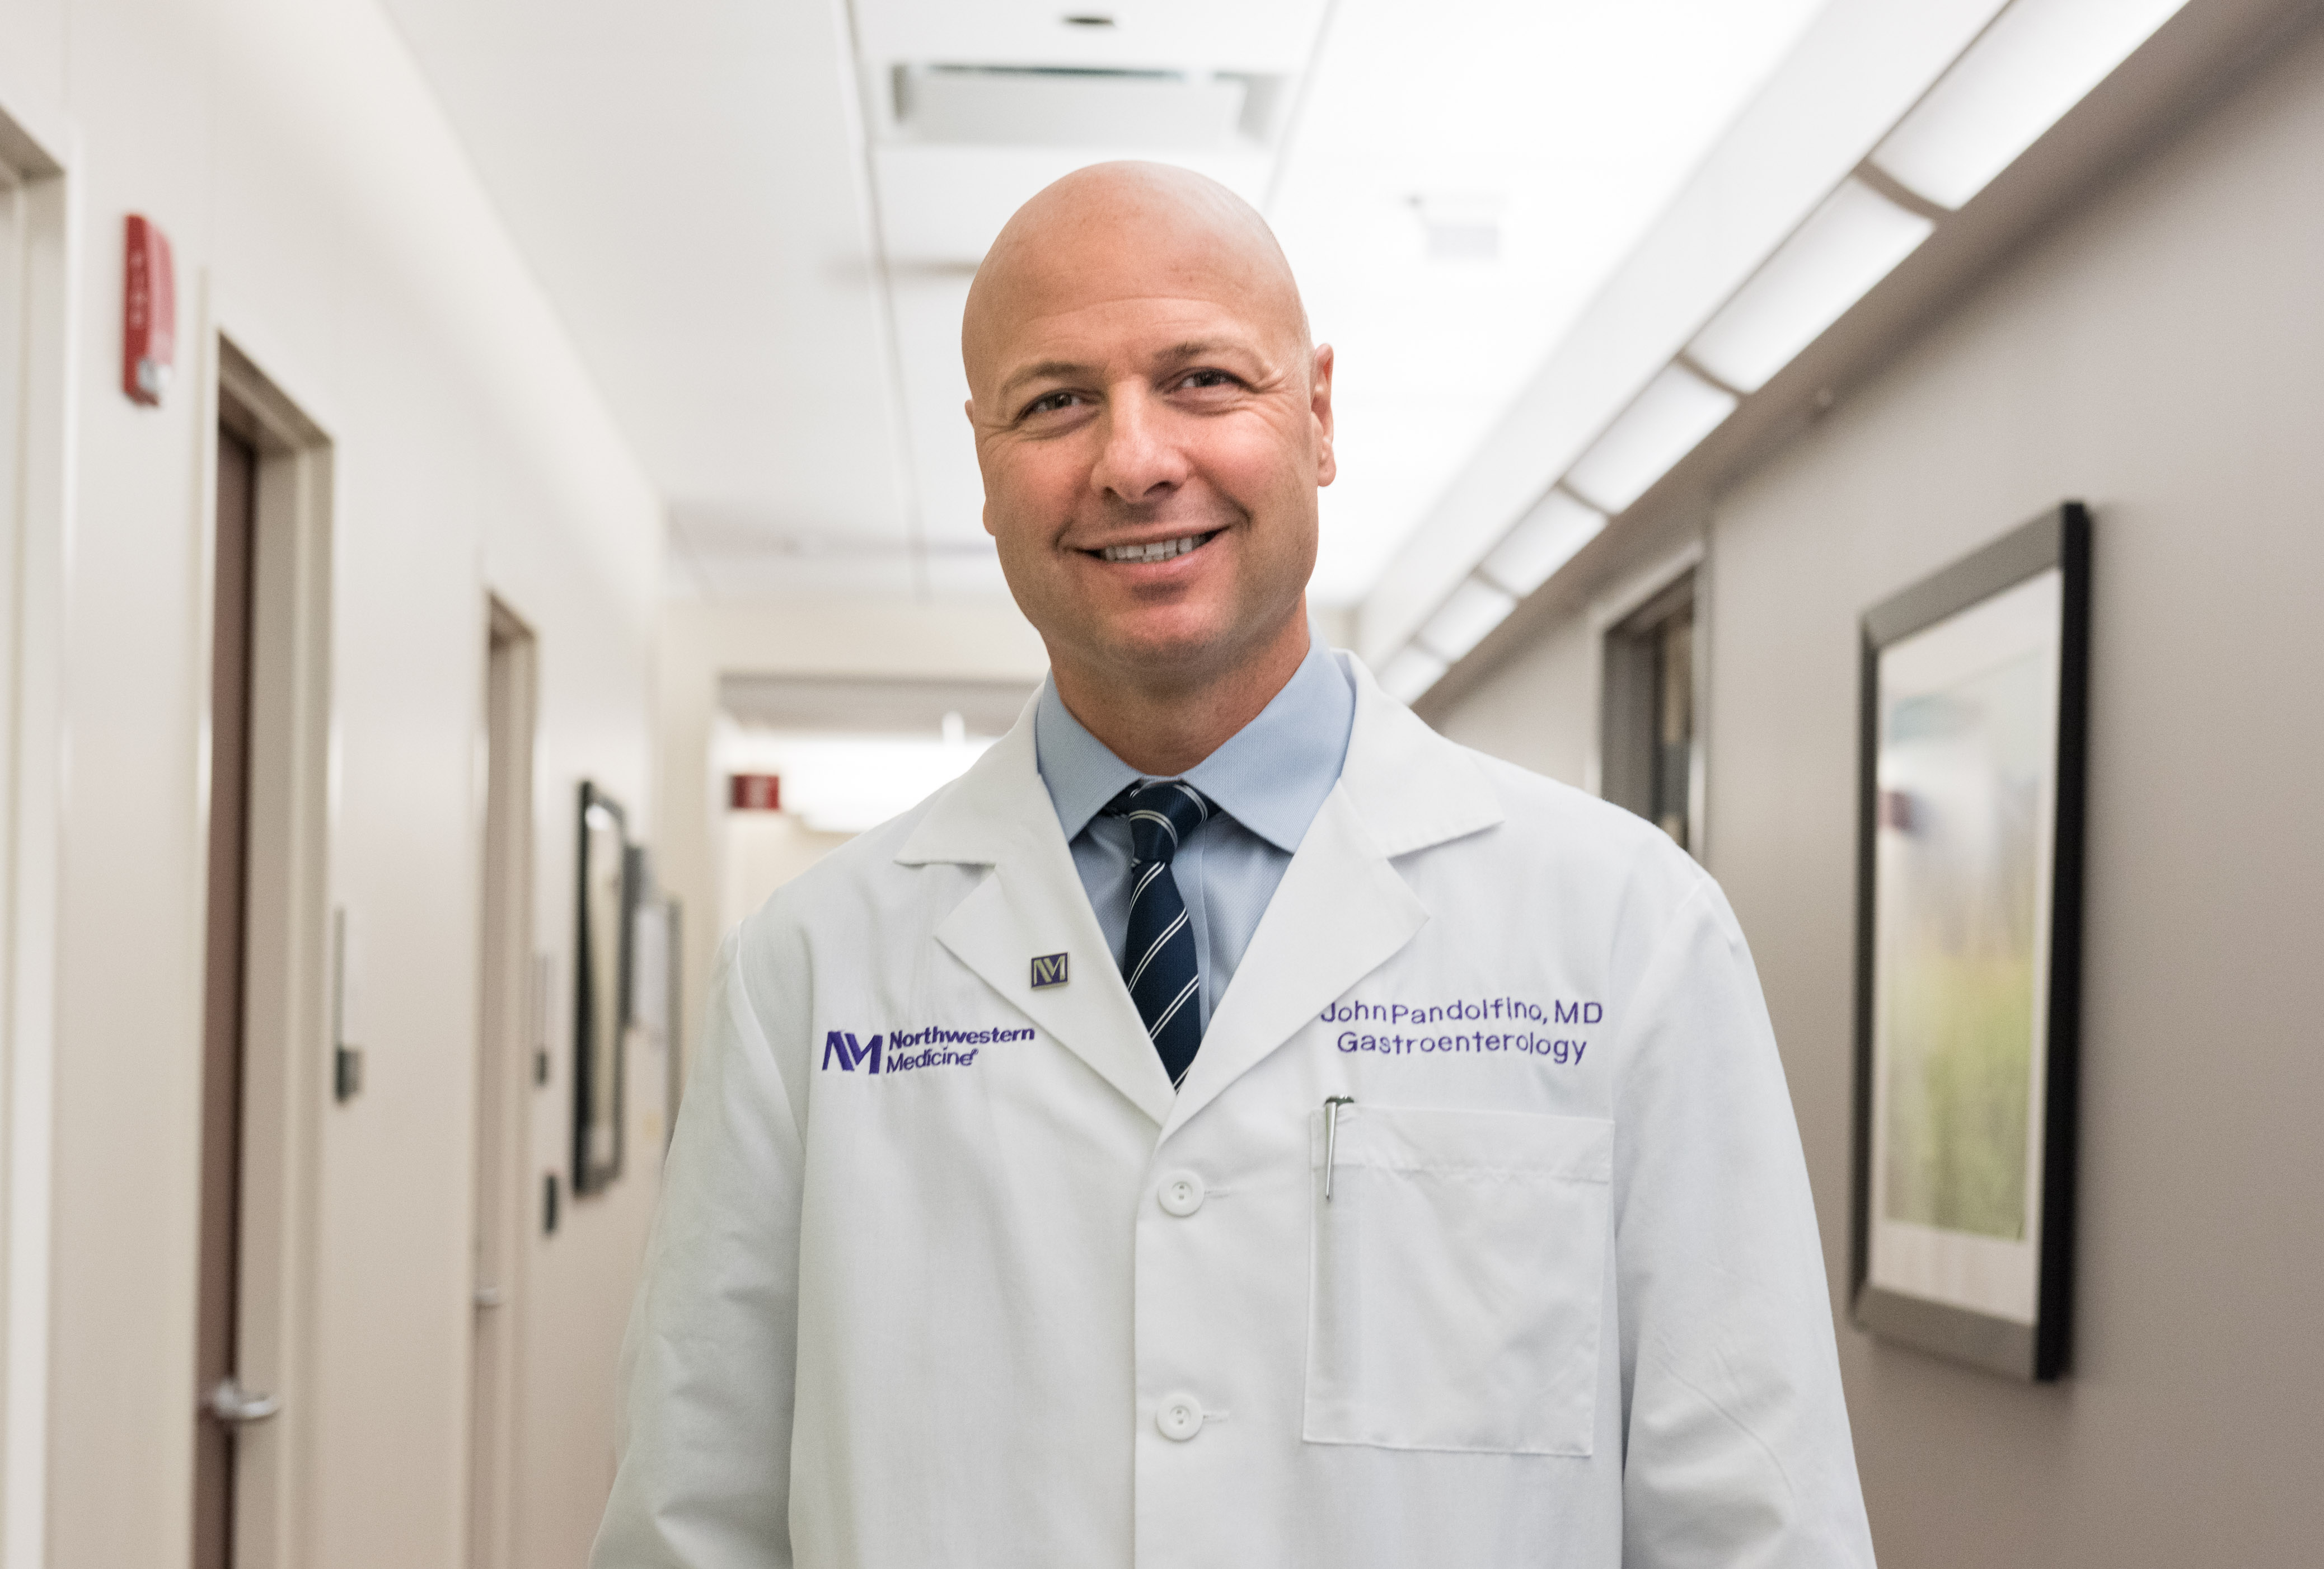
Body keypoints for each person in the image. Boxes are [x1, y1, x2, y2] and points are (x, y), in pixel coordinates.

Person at [592, 161, 1875, 1568]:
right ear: (984, 463)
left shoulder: (1626, 933)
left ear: (1317, 416)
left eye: (1202, 378)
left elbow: (1757, 1525)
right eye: (1056, 399)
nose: (1133, 458)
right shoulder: (810, 969)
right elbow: (693, 1525)